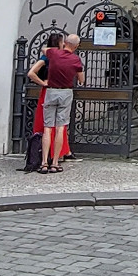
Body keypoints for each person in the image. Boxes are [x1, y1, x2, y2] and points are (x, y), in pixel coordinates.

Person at [27, 33, 82, 173]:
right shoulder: (74, 59)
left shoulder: (52, 54)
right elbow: (81, 79)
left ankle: (44, 162)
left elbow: (43, 52)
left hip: (50, 91)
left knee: (47, 127)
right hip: (64, 92)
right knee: (60, 127)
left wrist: (43, 83)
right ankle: (55, 162)